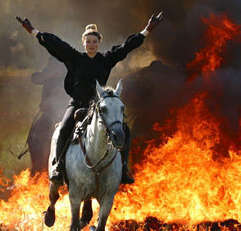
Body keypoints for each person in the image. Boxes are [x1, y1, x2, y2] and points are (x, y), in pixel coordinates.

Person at [16, 13, 163, 185]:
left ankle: (122, 168)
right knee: (63, 130)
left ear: (99, 43)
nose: (91, 45)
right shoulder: (74, 58)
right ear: (83, 43)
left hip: (99, 107)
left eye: (94, 42)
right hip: (77, 105)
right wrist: (33, 31)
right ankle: (57, 167)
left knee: (124, 130)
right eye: (88, 42)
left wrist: (146, 30)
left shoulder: (106, 60)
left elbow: (126, 47)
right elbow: (55, 44)